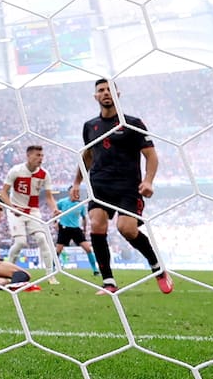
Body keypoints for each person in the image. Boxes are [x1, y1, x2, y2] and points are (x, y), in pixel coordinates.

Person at [70, 78, 173, 296]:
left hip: (128, 186)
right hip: (99, 185)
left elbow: (151, 155)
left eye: (109, 89)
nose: (105, 93)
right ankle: (108, 282)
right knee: (96, 225)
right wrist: (77, 182)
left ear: (118, 94)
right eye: (101, 90)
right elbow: (87, 156)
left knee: (127, 229)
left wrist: (148, 180)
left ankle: (157, 267)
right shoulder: (90, 126)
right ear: (95, 96)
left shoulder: (133, 123)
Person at [0, 145, 59, 280]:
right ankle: (7, 273)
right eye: (37, 155)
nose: (41, 158)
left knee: (42, 239)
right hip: (16, 210)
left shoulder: (44, 174)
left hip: (33, 211)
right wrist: (12, 207)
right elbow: (3, 192)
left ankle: (50, 275)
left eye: (42, 155)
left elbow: (49, 197)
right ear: (28, 156)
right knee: (20, 242)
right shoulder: (16, 171)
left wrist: (54, 209)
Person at [54, 188, 99, 276]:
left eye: (77, 192)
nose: (76, 193)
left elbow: (84, 218)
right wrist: (55, 222)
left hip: (76, 229)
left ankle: (95, 270)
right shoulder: (62, 202)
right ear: (70, 192)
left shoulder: (80, 205)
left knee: (88, 249)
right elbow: (55, 212)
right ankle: (52, 269)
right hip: (64, 228)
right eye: (73, 191)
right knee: (58, 250)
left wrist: (84, 230)